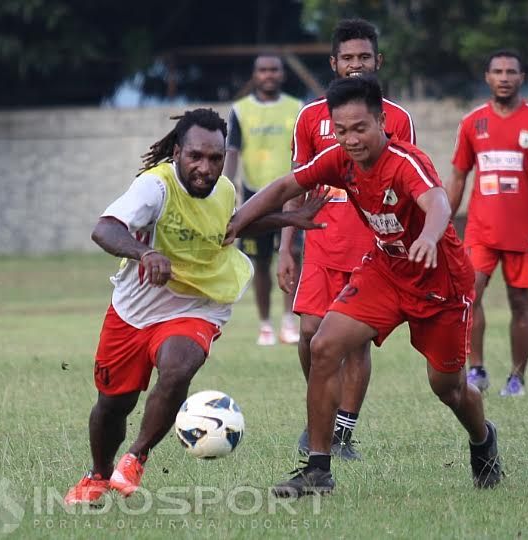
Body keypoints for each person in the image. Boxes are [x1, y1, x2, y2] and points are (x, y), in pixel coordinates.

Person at [226, 75, 502, 498]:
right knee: (322, 345)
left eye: (360, 128)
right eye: (341, 130)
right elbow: (285, 186)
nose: (350, 139)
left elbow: (438, 202)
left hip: (440, 284)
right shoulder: (339, 160)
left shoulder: (405, 161)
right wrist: (234, 223)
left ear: (381, 123)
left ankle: (482, 439)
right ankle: (318, 470)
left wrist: (429, 237)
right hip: (386, 272)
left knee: (446, 387)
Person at [63, 109, 326, 505]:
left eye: (215, 159)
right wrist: (144, 253)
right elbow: (105, 228)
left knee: (179, 365)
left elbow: (229, 227)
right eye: (196, 157)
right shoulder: (155, 187)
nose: (206, 168)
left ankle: (136, 457)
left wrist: (287, 217)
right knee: (113, 403)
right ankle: (98, 475)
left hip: (200, 303)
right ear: (176, 152)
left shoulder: (223, 191)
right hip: (135, 309)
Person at [281, 18, 416, 460]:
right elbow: (296, 185)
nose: (356, 65)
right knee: (309, 333)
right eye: (348, 58)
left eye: (364, 57)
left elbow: (408, 187)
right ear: (334, 62)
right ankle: (319, 412)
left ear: (378, 61)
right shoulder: (309, 117)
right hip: (319, 243)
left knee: (355, 342)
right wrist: (285, 246)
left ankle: (341, 433)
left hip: (369, 247)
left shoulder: (396, 118)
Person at [446, 50, 528, 397]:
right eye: (497, 71)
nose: (504, 77)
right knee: (470, 296)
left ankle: (517, 378)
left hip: (523, 232)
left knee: (520, 304)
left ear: (521, 78)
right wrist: (442, 221)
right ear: (487, 77)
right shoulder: (472, 122)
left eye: (510, 72)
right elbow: (457, 177)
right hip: (480, 230)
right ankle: (477, 369)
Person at [224, 55, 304, 346]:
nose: (268, 74)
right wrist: (226, 187)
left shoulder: (297, 107)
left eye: (274, 69)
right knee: (259, 262)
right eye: (262, 70)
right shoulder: (240, 110)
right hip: (253, 196)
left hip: (290, 194)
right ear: (254, 75)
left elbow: (304, 151)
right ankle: (265, 325)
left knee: (292, 256)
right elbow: (231, 150)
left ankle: (288, 323)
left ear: (282, 74)